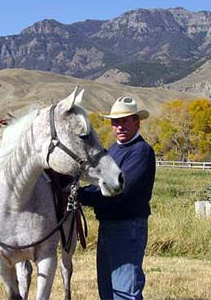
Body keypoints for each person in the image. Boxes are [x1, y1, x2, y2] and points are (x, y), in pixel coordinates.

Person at [78, 96, 156, 300]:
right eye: (115, 122)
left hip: (127, 226)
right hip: (109, 225)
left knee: (125, 290)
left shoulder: (141, 152)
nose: (119, 126)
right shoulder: (113, 150)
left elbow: (119, 190)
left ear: (136, 122)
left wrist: (79, 195)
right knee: (108, 289)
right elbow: (100, 183)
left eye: (125, 121)